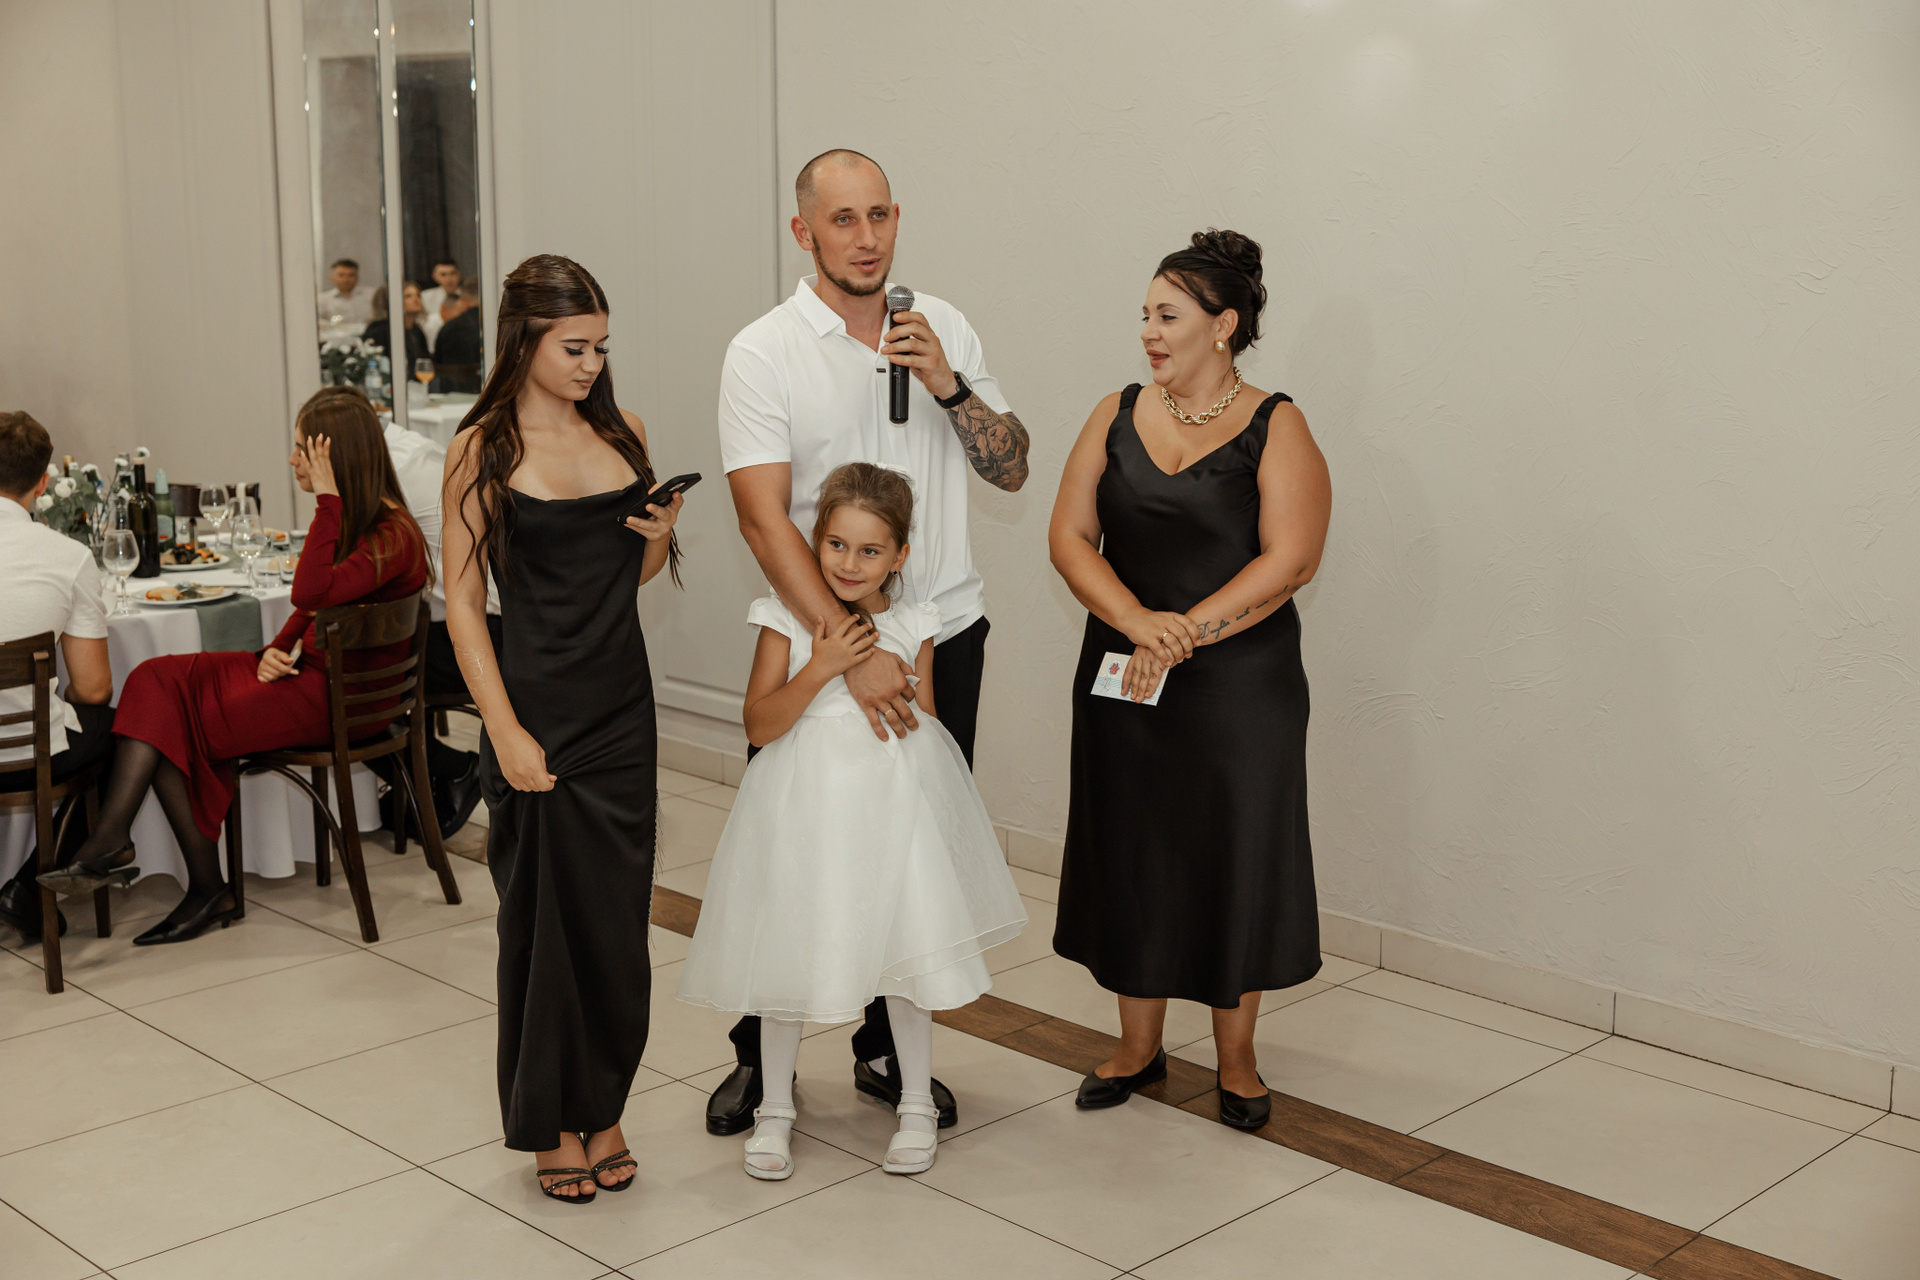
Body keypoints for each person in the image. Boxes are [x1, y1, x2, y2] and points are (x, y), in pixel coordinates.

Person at [708, 147, 1032, 1137]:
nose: (866, 237)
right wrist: (852, 644)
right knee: (791, 852)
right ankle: (759, 1054)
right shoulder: (763, 350)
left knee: (913, 854)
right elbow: (763, 519)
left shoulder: (944, 326)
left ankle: (886, 1048)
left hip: (944, 630)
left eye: (879, 215)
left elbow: (1012, 469)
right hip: (822, 639)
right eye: (843, 219)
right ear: (803, 231)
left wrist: (948, 384)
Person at [1048, 230, 1332, 1130]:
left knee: (1233, 858)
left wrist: (1183, 634)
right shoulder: (1114, 411)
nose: (1148, 332)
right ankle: (1137, 1047)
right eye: (1145, 315)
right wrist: (1138, 625)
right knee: (1132, 850)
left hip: (1239, 688)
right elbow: (1068, 537)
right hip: (1124, 675)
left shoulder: (1278, 424)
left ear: (1223, 325)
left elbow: (1292, 559)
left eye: (1166, 316)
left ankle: (1237, 1060)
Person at [679, 463, 1025, 1179]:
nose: (849, 563)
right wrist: (823, 666)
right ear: (815, 541)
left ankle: (915, 1104)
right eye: (836, 545)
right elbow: (760, 724)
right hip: (803, 810)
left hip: (891, 811)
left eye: (871, 551)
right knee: (786, 951)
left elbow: (924, 726)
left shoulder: (916, 623)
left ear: (900, 556)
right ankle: (775, 1109)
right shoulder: (783, 617)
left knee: (906, 957)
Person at [441, 253, 684, 1203]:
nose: (591, 364)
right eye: (574, 347)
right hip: (535, 708)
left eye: (601, 348)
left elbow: (628, 581)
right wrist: (501, 730)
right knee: (543, 929)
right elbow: (465, 605)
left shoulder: (625, 433)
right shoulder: (482, 449)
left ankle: (605, 1106)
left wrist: (658, 542)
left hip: (621, 707)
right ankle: (552, 1120)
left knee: (615, 926)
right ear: (525, 341)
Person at [38, 389, 432, 945]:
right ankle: (125, 844)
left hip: (340, 701)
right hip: (311, 676)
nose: (292, 460)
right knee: (153, 679)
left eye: (302, 450)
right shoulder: (369, 523)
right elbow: (314, 605)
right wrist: (281, 643)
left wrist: (327, 501)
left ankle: (185, 877)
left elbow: (310, 589)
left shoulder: (391, 535)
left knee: (169, 716)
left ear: (335, 457)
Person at [0, 412, 114, 942]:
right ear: (43, 483)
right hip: (32, 751)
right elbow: (93, 689)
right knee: (126, 733)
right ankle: (29, 887)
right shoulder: (68, 556)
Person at [378, 409, 492, 837]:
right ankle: (423, 781)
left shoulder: (392, 467)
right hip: (478, 620)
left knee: (350, 689)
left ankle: (453, 768)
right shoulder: (409, 448)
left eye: (302, 448)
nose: (294, 459)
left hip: (479, 632)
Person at [432, 276, 484, 393]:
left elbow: (437, 365)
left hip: (451, 392)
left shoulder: (449, 327)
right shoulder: (493, 325)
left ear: (464, 300)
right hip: (489, 391)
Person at [364, 282, 431, 368]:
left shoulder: (417, 331)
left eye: (418, 295)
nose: (416, 299)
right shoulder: (382, 329)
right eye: (408, 296)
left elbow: (425, 363)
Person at [317, 259, 373, 333]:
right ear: (332, 277)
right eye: (341, 275)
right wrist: (335, 327)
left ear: (357, 277)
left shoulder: (372, 295)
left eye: (351, 275)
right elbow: (315, 319)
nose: (346, 279)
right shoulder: (323, 298)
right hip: (334, 337)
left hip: (367, 335)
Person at [420, 258, 462, 349]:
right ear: (434, 276)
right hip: (433, 342)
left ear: (459, 274)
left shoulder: (466, 297)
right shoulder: (425, 297)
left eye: (452, 273)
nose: (449, 278)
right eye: (443, 274)